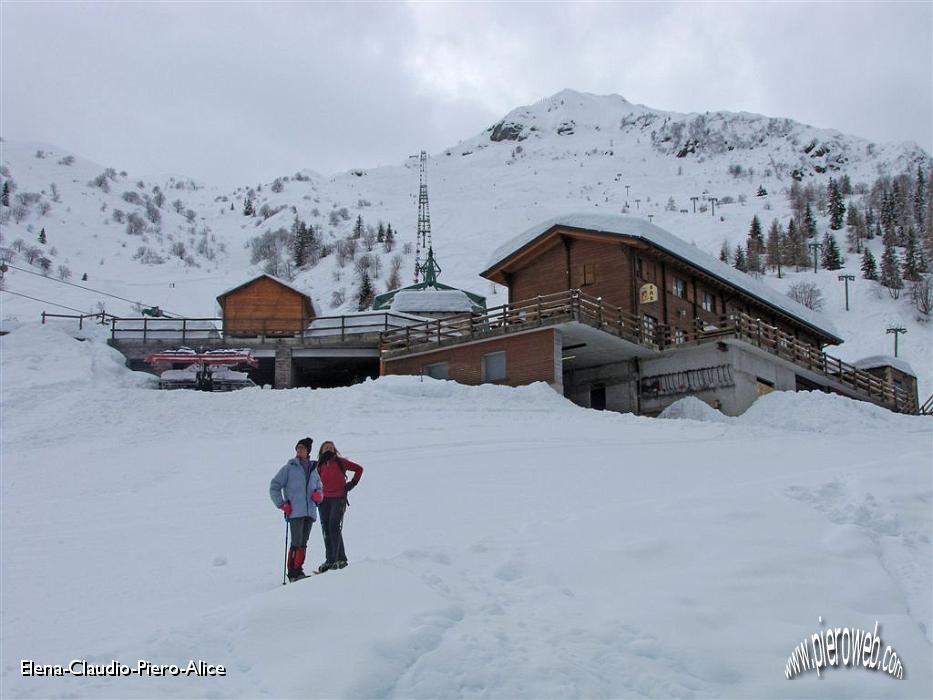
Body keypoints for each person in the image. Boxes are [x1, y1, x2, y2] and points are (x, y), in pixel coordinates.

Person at [269, 437, 323, 581]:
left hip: (310, 511)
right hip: (295, 512)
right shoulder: (289, 468)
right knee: (296, 541)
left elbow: (319, 487)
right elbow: (274, 486)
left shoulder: (314, 469)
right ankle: (292, 572)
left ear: (308, 451)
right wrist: (281, 504)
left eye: (302, 448)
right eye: (298, 448)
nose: (299, 450)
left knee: (303, 542)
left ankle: (298, 569)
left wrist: (319, 495)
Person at [315, 441, 363, 573]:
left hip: (338, 499)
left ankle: (340, 559)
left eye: (331, 447)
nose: (329, 449)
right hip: (323, 500)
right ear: (322, 451)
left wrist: (351, 484)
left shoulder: (340, 462)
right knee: (326, 529)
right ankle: (330, 560)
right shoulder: (319, 465)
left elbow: (359, 469)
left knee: (333, 527)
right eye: (326, 448)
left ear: (335, 450)